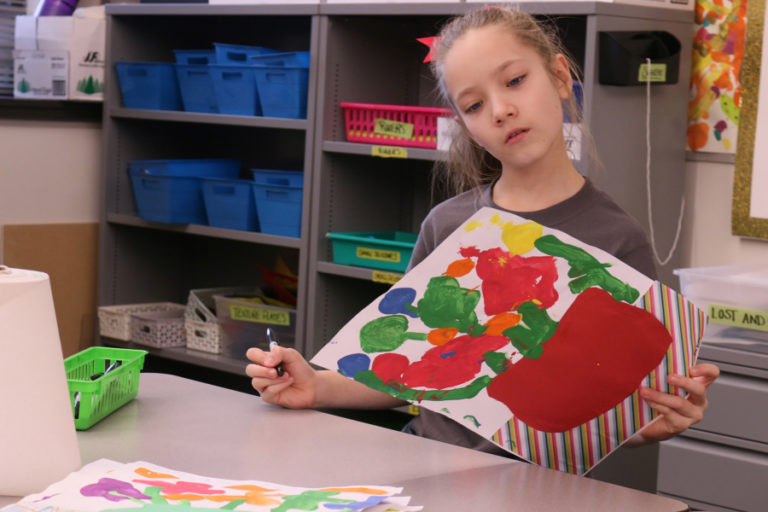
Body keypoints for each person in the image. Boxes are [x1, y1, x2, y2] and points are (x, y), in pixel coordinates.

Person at [246, 5, 719, 459]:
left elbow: (613, 410)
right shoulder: (448, 226)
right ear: (468, 128)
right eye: (474, 105)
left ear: (559, 76)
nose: (500, 110)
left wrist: (651, 424)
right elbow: (408, 372)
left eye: (515, 81)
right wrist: (316, 386)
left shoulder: (617, 239)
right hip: (426, 470)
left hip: (534, 492)